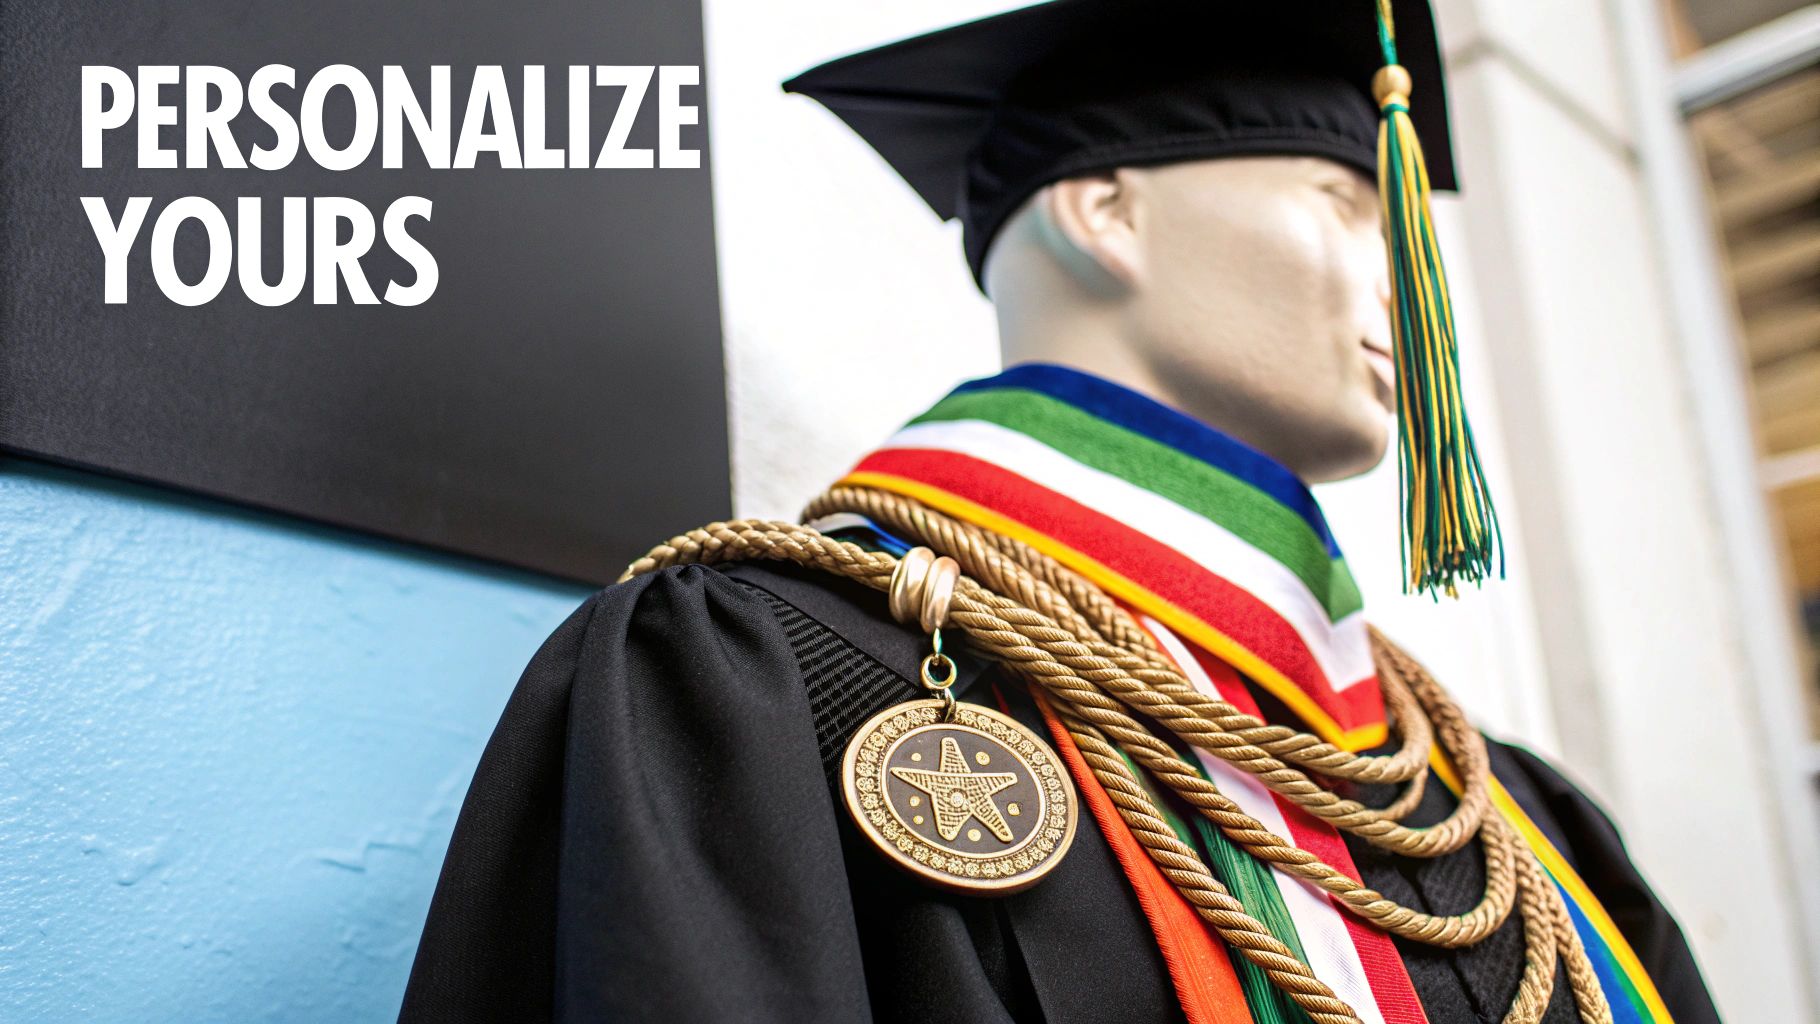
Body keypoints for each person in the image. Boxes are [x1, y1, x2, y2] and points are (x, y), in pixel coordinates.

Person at [399, 2, 1720, 1022]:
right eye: (1345, 205)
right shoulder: (766, 678)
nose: (1405, 289)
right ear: (1105, 215)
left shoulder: (1508, 815)